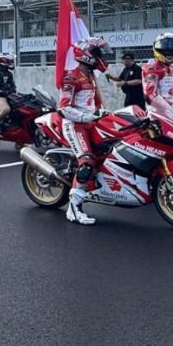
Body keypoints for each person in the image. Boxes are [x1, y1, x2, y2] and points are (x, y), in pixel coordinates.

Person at [58, 37, 113, 226]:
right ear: (87, 55)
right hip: (75, 125)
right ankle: (73, 208)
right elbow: (64, 108)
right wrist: (86, 117)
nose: (103, 57)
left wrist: (103, 115)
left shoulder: (90, 76)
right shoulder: (71, 77)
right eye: (98, 53)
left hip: (91, 123)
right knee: (88, 162)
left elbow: (94, 105)